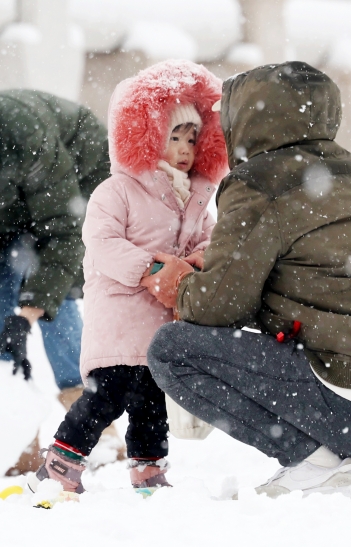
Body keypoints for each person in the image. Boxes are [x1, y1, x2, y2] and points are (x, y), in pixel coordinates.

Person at [143, 61, 351, 500]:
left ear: (245, 118)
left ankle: (317, 464)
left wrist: (180, 286)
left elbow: (221, 307)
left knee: (173, 351)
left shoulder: (259, 181)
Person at [28, 59, 228, 495]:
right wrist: (153, 270)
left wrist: (194, 263)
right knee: (105, 398)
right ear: (147, 136)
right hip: (119, 319)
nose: (184, 148)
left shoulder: (195, 197)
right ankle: (60, 464)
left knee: (151, 404)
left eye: (192, 139)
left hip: (160, 327)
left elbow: (211, 240)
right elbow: (102, 243)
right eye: (174, 136)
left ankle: (148, 472)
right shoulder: (116, 191)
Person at [0, 90, 126, 475]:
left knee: (57, 290)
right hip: (14, 199)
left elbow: (63, 233)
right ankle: (13, 436)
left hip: (77, 176)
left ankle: (94, 425)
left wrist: (27, 314)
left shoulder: (22, 134)